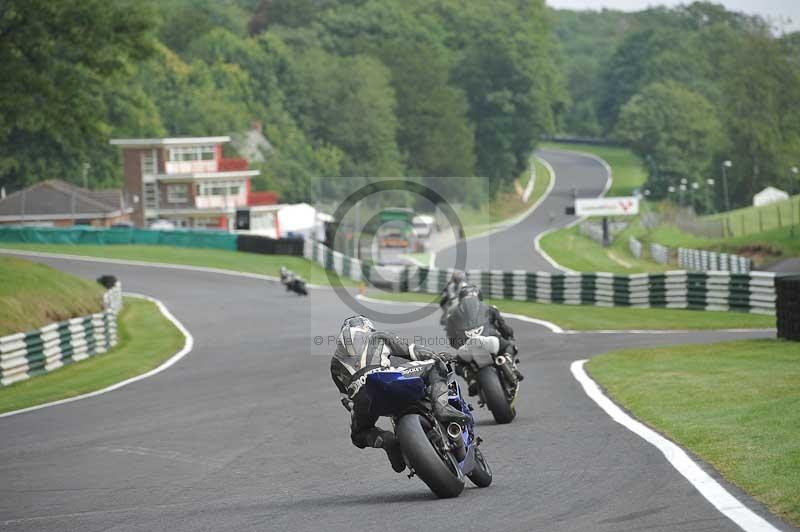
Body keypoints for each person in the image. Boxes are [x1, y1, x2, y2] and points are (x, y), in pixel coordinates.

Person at [330, 316, 469, 473]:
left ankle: (387, 441)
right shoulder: (378, 336)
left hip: (362, 397)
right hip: (387, 379)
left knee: (358, 435)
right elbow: (414, 351)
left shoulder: (335, 363)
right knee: (435, 365)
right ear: (367, 327)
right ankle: (441, 407)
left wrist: (362, 410)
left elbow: (347, 400)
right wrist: (437, 356)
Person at [445, 285, 523, 393]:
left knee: (458, 363)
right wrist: (509, 336)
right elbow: (504, 328)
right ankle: (510, 366)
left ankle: (470, 378)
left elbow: (452, 340)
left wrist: (461, 344)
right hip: (491, 341)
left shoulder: (452, 316)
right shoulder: (490, 309)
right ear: (479, 296)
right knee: (509, 346)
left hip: (468, 348)